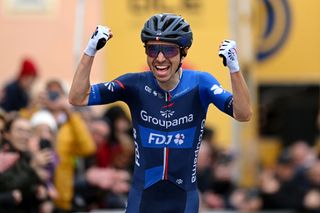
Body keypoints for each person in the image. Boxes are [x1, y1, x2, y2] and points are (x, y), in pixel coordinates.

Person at [69, 13, 252, 213]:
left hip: (183, 199)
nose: (160, 58)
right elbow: (78, 97)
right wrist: (90, 51)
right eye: (152, 49)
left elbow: (243, 113)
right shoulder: (134, 84)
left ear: (184, 52)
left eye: (169, 49)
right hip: (142, 198)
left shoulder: (201, 83)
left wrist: (234, 68)